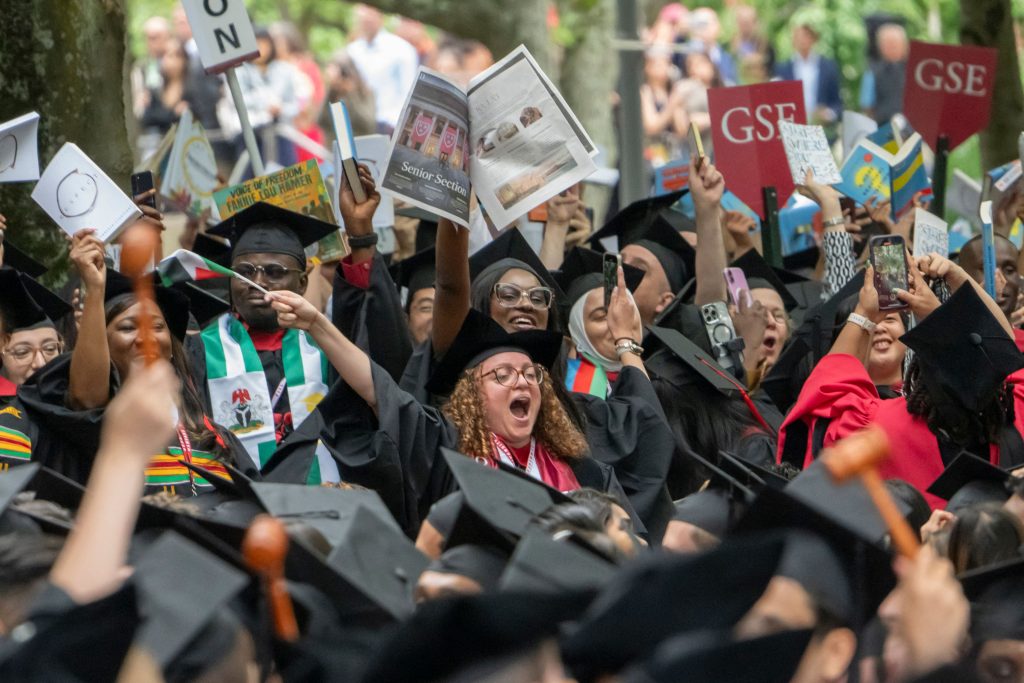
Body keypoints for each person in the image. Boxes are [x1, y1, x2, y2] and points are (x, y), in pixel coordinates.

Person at [16, 228, 252, 495]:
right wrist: (95, 289)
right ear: (103, 346)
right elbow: (86, 398)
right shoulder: (93, 426)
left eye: (157, 327)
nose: (146, 338)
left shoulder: (214, 436)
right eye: (128, 328)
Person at [778, 253, 1024, 508]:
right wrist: (956, 284)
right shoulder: (1016, 412)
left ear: (923, 369)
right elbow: (1004, 347)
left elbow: (826, 394)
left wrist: (864, 313)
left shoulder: (884, 428)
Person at [183, 202, 338, 471]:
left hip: (319, 490)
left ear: (302, 283)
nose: (258, 282)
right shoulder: (201, 351)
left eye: (275, 272)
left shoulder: (327, 349)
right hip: (237, 492)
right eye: (244, 272)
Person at [346, 4, 420, 134]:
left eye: (370, 13)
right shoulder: (353, 50)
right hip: (358, 124)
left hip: (388, 125)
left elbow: (409, 91)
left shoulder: (401, 49)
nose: (366, 19)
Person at [775, 24, 843, 127]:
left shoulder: (828, 67)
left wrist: (828, 114)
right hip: (794, 127)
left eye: (806, 36)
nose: (802, 41)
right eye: (798, 37)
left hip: (821, 126)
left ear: (814, 39)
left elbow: (837, 102)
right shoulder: (783, 69)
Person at [139, 40, 195, 134]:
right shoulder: (156, 89)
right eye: (164, 55)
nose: (168, 60)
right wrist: (173, 114)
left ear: (184, 59)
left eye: (175, 55)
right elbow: (147, 120)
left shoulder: (192, 88)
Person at [320, 50, 377, 139]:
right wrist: (331, 93)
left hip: (359, 143)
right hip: (334, 143)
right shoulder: (333, 94)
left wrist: (351, 94)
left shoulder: (364, 92)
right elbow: (321, 122)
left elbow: (367, 124)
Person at [860, 23, 909, 124]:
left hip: (912, 128)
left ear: (904, 45)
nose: (891, 47)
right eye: (887, 44)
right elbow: (867, 106)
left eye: (895, 43)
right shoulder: (872, 71)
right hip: (883, 127)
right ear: (880, 46)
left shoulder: (915, 71)